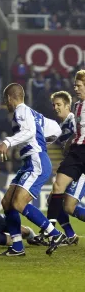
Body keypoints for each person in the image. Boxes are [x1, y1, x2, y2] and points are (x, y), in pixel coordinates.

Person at [0, 83, 65, 257]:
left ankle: (55, 234)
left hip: (36, 161)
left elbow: (30, 131)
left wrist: (8, 142)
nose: (6, 104)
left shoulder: (21, 111)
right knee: (7, 203)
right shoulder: (34, 114)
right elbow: (56, 129)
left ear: (10, 98)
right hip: (29, 162)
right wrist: (42, 142)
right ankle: (17, 246)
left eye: (6, 100)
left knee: (18, 203)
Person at [48, 71, 85, 235]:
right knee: (56, 195)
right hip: (76, 155)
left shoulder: (69, 118)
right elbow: (78, 133)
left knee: (68, 206)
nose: (75, 88)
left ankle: (66, 233)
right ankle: (62, 234)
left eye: (79, 85)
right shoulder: (78, 107)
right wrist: (70, 142)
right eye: (75, 85)